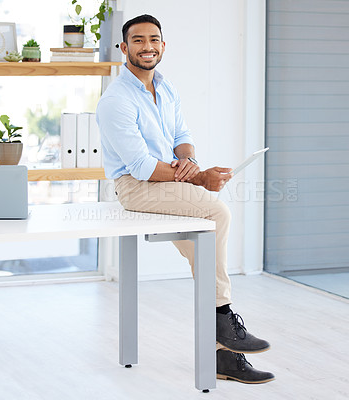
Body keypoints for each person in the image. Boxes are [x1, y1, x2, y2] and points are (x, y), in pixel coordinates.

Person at [96, 14, 275, 385]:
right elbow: (142, 166)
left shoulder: (166, 86)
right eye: (139, 40)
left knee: (204, 251)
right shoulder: (116, 100)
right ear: (124, 47)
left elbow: (182, 135)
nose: (148, 46)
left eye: (155, 40)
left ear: (163, 46)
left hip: (168, 180)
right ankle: (223, 317)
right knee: (216, 212)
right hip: (136, 185)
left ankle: (223, 356)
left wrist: (191, 162)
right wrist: (200, 177)